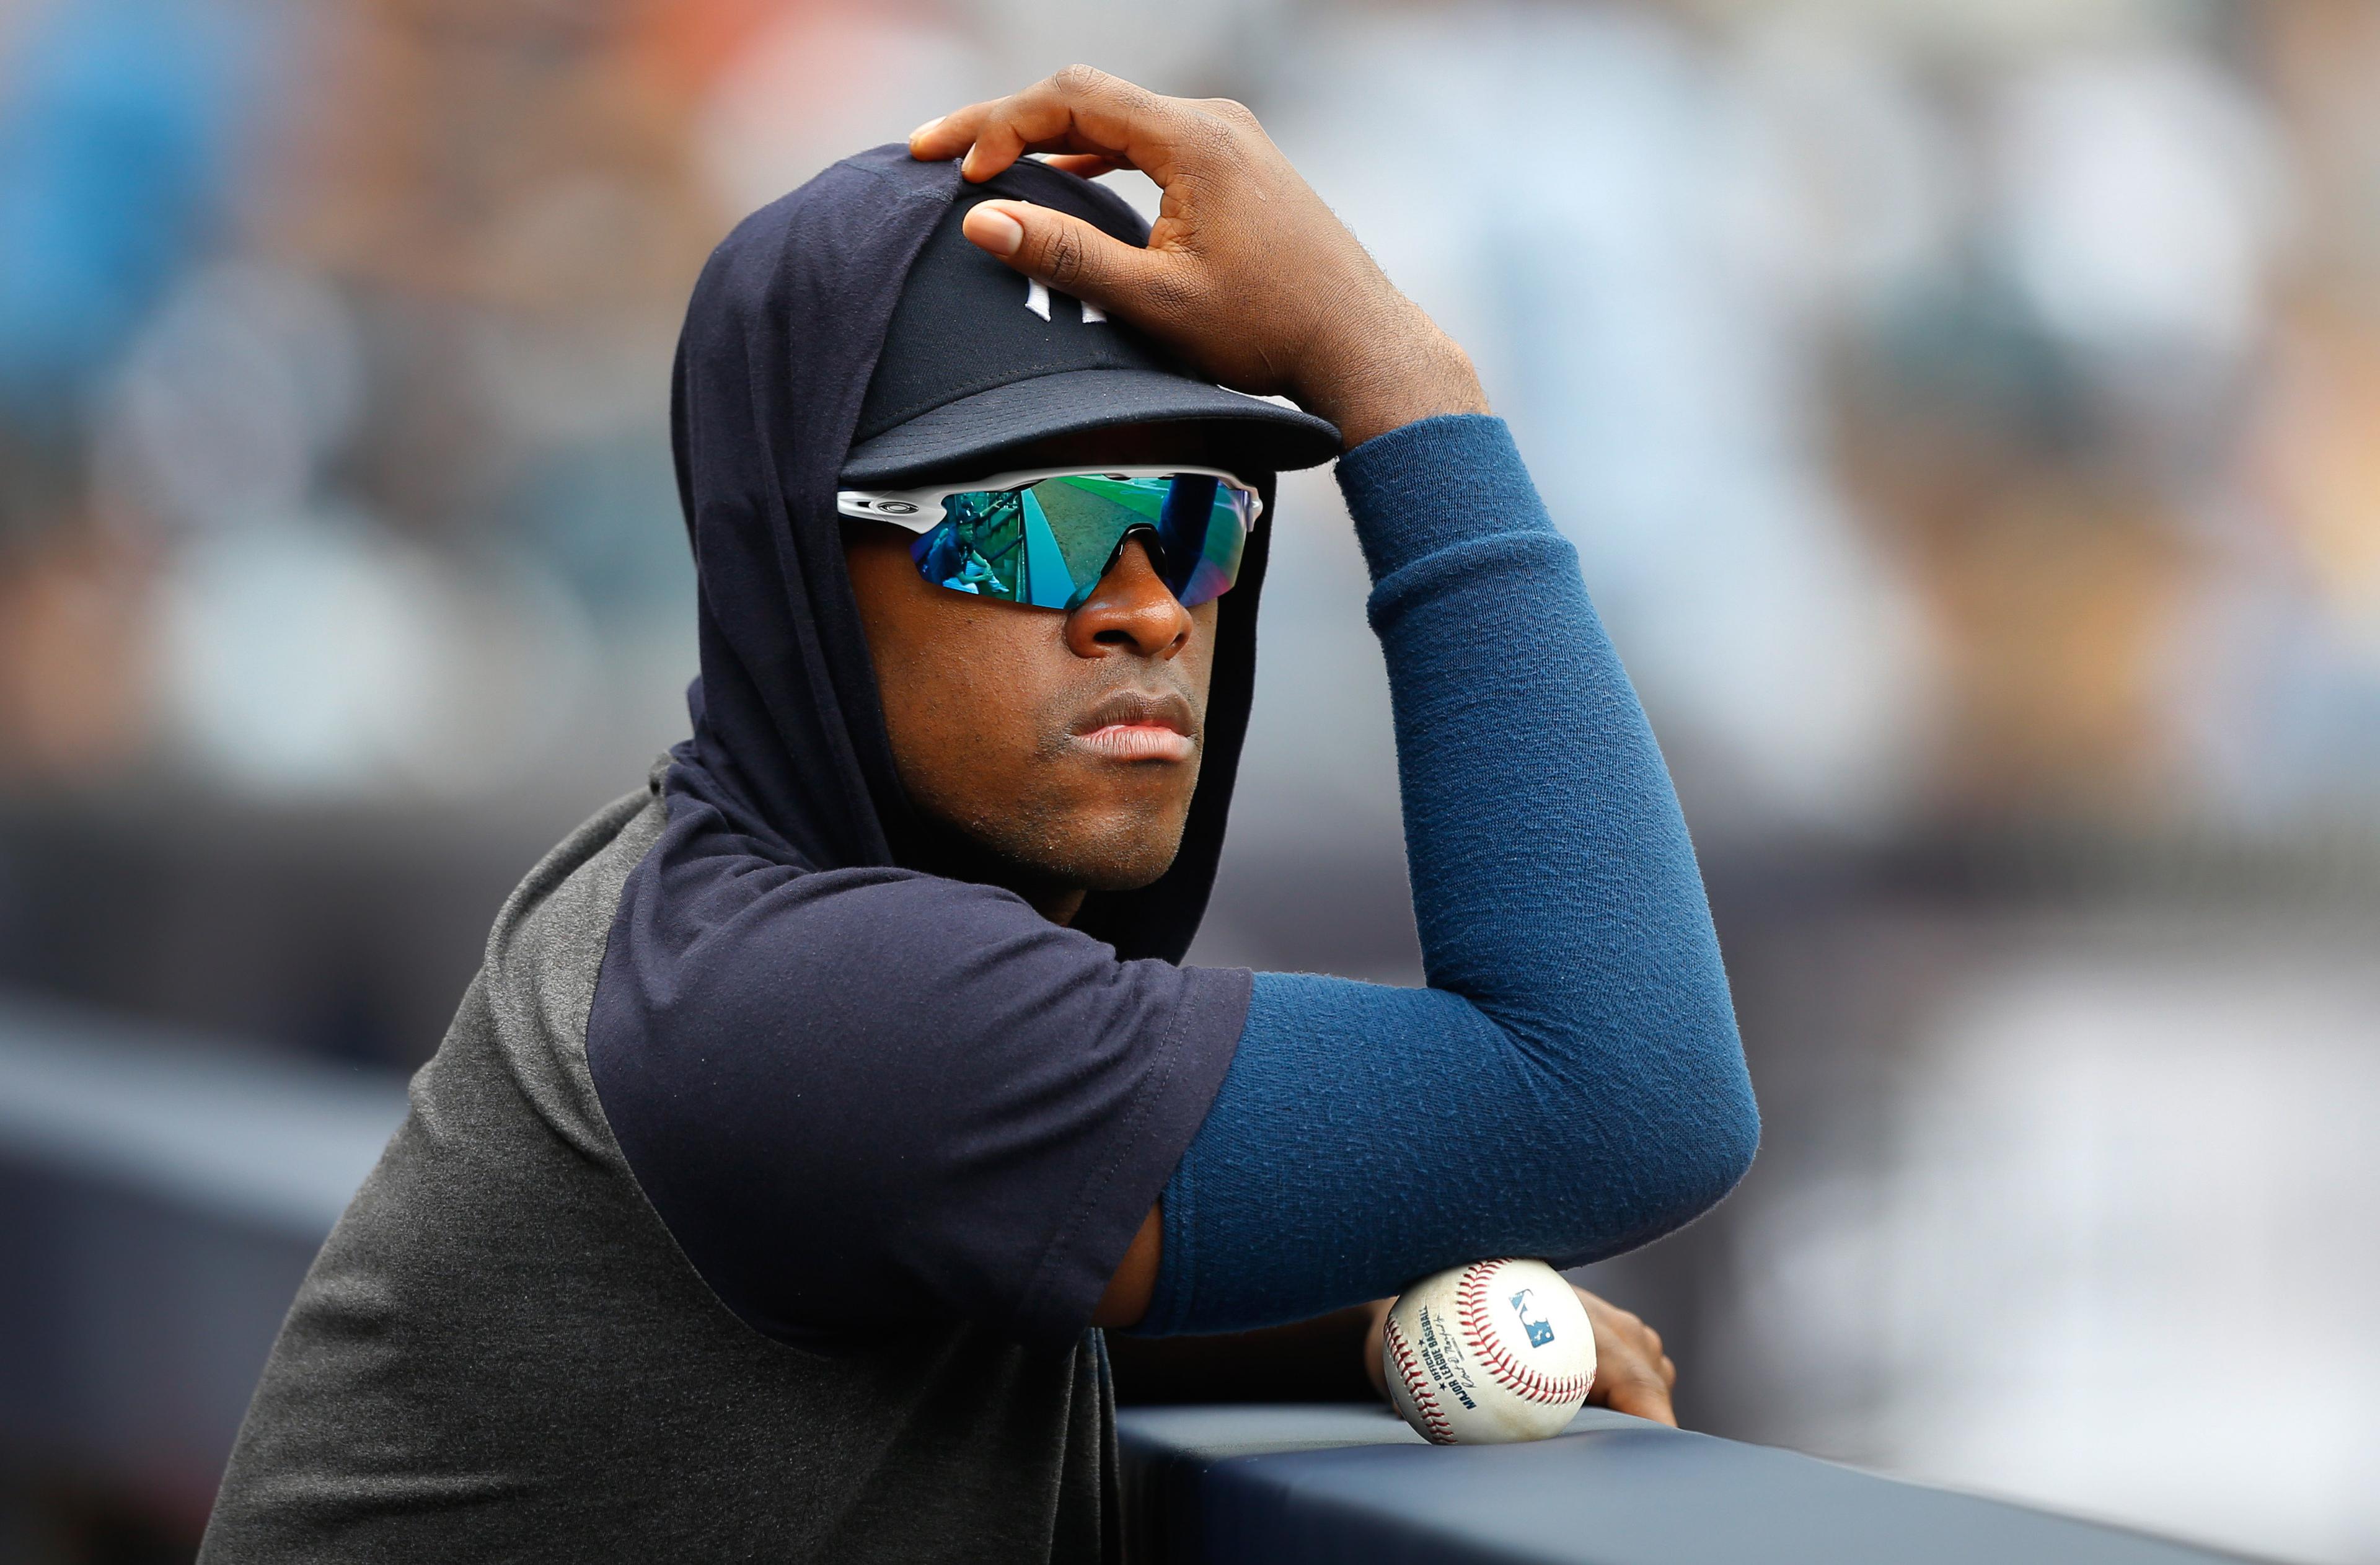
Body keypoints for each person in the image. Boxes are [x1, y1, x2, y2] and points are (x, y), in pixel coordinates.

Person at [198, 67, 1758, 1564]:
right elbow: (1625, 1093)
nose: (1147, 608)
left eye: (1196, 521)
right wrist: (1403, 382)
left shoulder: (722, 934)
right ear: (803, 576)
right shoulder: (803, 1004)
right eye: (1035, 528)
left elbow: (946, 1290)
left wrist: (1340, 1314)